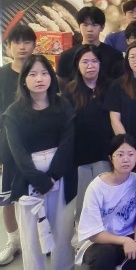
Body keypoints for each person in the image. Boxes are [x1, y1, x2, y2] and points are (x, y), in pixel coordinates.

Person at [4, 55, 76, 269]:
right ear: (24, 79)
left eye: (44, 73)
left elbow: (68, 142)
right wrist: (39, 180)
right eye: (33, 74)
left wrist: (52, 176)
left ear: (51, 77)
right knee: (31, 236)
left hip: (60, 173)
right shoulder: (14, 112)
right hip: (28, 176)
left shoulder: (63, 105)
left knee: (63, 231)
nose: (39, 79)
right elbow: (17, 152)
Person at [75, 134, 136, 270]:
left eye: (131, 154)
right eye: (120, 155)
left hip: (130, 235)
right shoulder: (96, 187)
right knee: (104, 256)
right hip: (102, 241)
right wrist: (125, 241)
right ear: (111, 158)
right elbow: (93, 233)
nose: (126, 159)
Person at [63, 45, 113, 216]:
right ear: (77, 65)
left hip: (104, 153)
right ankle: (82, 231)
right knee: (83, 203)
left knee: (105, 201)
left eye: (94, 61)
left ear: (100, 64)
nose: (90, 65)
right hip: (79, 156)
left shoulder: (110, 87)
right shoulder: (70, 90)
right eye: (85, 62)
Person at [0, 25, 35, 265]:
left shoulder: (40, 71)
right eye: (17, 42)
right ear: (8, 46)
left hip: (36, 144)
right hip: (7, 144)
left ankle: (38, 237)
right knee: (7, 197)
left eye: (27, 42)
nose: (22, 47)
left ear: (34, 45)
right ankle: (13, 241)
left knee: (38, 194)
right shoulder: (2, 75)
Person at [57, 6, 124, 86]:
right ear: (79, 26)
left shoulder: (114, 56)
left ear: (102, 28)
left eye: (94, 25)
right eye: (85, 25)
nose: (89, 29)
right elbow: (63, 86)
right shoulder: (66, 56)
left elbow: (120, 85)